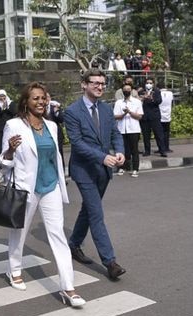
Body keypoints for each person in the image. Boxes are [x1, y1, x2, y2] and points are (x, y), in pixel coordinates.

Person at [0, 82, 85, 307]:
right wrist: (9, 150)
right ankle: (14, 269)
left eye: (44, 98)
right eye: (36, 98)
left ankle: (68, 288)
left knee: (57, 234)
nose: (41, 102)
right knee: (19, 231)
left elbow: (54, 157)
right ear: (25, 102)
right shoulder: (13, 125)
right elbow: (4, 162)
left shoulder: (52, 126)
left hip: (50, 186)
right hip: (26, 188)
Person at [64, 69, 126, 281]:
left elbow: (115, 133)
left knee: (89, 210)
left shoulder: (107, 109)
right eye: (95, 83)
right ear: (84, 84)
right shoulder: (72, 111)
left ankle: (73, 244)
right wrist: (101, 157)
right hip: (83, 171)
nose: (100, 87)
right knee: (96, 213)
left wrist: (119, 151)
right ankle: (110, 262)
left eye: (102, 83)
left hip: (104, 171)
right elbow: (77, 143)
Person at [114, 83, 144, 177]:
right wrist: (123, 114)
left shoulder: (137, 102)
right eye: (125, 89)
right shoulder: (118, 102)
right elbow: (115, 116)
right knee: (123, 150)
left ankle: (135, 169)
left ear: (131, 91)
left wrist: (129, 112)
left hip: (134, 129)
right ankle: (122, 167)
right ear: (122, 91)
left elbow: (139, 116)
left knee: (134, 150)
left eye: (128, 89)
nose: (126, 91)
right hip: (122, 129)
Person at [140, 77, 168, 156]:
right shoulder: (142, 92)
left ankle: (162, 150)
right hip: (145, 117)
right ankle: (147, 151)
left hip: (155, 116)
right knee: (146, 135)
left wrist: (152, 99)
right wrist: (143, 98)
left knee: (159, 134)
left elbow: (159, 101)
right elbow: (138, 102)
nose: (148, 84)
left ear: (153, 84)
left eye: (150, 83)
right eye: (147, 83)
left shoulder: (156, 91)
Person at [0, 89, 17, 163]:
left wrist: (7, 107)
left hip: (9, 127)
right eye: (0, 96)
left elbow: (14, 112)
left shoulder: (11, 103)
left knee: (8, 144)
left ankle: (8, 160)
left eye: (3, 96)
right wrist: (2, 108)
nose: (2, 98)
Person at [159, 82, 174, 153]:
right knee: (166, 133)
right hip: (168, 115)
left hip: (160, 115)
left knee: (160, 133)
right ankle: (167, 147)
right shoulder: (170, 93)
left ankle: (161, 148)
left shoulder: (158, 93)